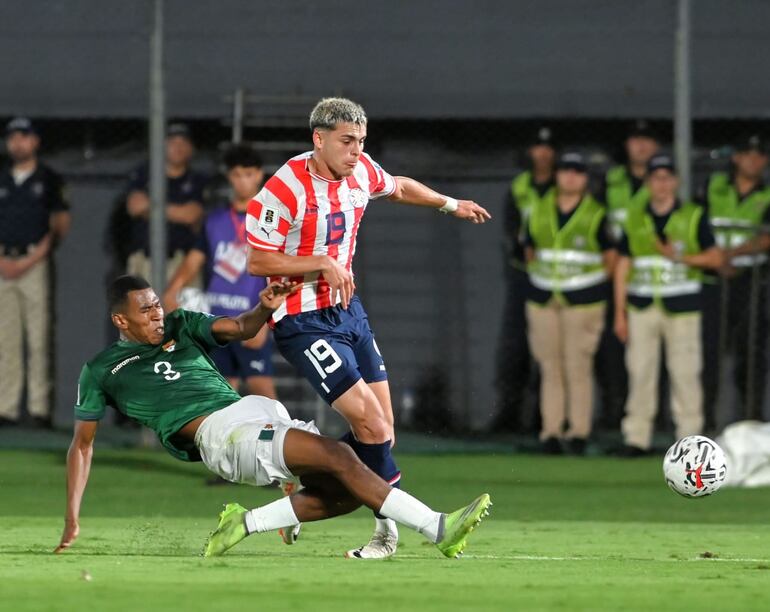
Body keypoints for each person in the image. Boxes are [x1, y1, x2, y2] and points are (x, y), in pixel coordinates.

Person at [54, 275, 491, 560]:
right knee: (340, 457)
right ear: (120, 320)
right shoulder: (100, 370)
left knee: (349, 490)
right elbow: (83, 445)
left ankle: (244, 523)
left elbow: (242, 329)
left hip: (251, 412)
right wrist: (73, 515)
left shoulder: (181, 325)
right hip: (218, 435)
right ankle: (438, 528)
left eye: (156, 305)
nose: (156, 314)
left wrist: (264, 306)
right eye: (145, 310)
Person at [245, 97, 491, 559]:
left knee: (383, 432)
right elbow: (257, 259)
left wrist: (450, 204)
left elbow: (396, 187)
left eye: (361, 141)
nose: (356, 151)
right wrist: (319, 263)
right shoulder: (285, 188)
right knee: (371, 423)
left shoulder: (359, 171)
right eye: (346, 141)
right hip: (301, 321)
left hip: (348, 312)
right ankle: (399, 532)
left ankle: (310, 479)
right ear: (318, 140)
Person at [614, 155, 723, 456]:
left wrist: (679, 257)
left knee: (685, 373)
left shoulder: (692, 215)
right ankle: (636, 438)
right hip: (642, 306)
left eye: (667, 177)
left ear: (675, 181)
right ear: (648, 182)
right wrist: (619, 312)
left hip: (683, 307)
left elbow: (715, 258)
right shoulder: (635, 218)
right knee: (639, 372)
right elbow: (623, 264)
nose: (662, 184)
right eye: (656, 177)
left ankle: (690, 441)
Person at [164, 145, 275, 399]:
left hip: (252, 317)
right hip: (217, 319)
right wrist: (172, 290)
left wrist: (266, 321)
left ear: (259, 175)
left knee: (263, 390)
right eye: (237, 175)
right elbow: (194, 260)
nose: (243, 181)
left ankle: (286, 438)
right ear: (229, 176)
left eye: (248, 174)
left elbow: (279, 272)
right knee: (222, 392)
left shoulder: (270, 221)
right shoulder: (215, 221)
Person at [523, 151, 616, 455]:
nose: (570, 176)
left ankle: (578, 432)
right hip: (544, 296)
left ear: (585, 178)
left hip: (584, 299)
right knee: (549, 366)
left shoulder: (596, 213)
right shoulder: (538, 209)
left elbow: (611, 259)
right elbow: (529, 249)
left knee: (577, 366)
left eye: (577, 172)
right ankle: (550, 432)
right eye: (565, 170)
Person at [0, 117, 71, 428]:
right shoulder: (1, 176)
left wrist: (32, 259)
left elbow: (59, 225)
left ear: (35, 142)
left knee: (38, 336)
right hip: (2, 261)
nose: (19, 143)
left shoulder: (49, 178)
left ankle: (40, 408)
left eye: (24, 137)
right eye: (13, 137)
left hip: (34, 260)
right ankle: (7, 408)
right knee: (6, 337)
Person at [595, 120, 660, 431]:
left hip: (651, 279)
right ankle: (613, 416)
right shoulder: (612, 180)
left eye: (647, 140)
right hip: (615, 276)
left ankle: (657, 422)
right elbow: (597, 224)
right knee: (612, 353)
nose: (641, 145)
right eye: (636, 139)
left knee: (655, 356)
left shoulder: (664, 181)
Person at [702, 134, 770, 420]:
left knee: (751, 351)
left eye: (759, 155)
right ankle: (705, 419)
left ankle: (750, 418)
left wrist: (730, 254)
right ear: (736, 158)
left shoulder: (767, 193)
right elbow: (696, 223)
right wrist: (716, 258)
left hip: (752, 280)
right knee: (709, 352)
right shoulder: (715, 187)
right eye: (747, 154)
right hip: (713, 278)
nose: (753, 159)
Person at [495, 126, 556, 433]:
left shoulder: (564, 185)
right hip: (524, 275)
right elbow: (509, 229)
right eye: (537, 148)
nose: (542, 154)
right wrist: (522, 249)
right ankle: (510, 415)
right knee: (516, 347)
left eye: (548, 148)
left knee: (553, 353)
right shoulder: (521, 186)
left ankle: (546, 420)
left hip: (558, 281)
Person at [124, 123, 208, 284]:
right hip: (145, 260)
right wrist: (177, 211)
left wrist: (151, 207)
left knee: (182, 309)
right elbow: (134, 206)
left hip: (181, 261)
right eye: (172, 142)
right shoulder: (144, 174)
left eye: (183, 143)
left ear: (191, 148)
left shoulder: (197, 180)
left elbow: (191, 215)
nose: (178, 147)